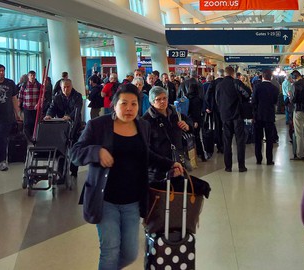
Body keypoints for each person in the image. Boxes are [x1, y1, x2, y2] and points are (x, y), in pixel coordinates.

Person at [70, 84, 184, 270]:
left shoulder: (143, 126)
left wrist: (169, 164)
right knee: (110, 250)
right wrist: (96, 152)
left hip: (132, 200)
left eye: (134, 104)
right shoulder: (98, 125)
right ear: (114, 105)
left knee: (130, 253)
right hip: (105, 199)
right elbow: (74, 153)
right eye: (124, 103)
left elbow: (146, 154)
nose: (129, 108)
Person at [142, 86, 193, 180]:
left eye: (164, 98)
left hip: (179, 157)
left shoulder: (174, 112)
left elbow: (189, 121)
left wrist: (187, 125)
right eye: (158, 99)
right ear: (152, 102)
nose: (162, 101)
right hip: (161, 166)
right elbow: (146, 148)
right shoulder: (146, 120)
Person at [44, 78, 83, 178]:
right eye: (63, 87)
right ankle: (60, 171)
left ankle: (74, 170)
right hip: (61, 126)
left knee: (74, 148)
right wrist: (49, 115)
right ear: (61, 88)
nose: (66, 89)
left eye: (68, 87)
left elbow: (77, 110)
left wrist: (69, 116)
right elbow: (52, 108)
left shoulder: (77, 96)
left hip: (74, 126)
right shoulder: (57, 98)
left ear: (71, 86)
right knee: (60, 149)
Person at [216, 66, 251, 172]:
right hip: (237, 115)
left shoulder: (219, 85)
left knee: (227, 141)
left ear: (225, 73)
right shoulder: (236, 83)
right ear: (233, 74)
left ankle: (228, 166)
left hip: (225, 116)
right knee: (240, 141)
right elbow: (247, 93)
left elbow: (217, 100)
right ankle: (241, 166)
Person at [252, 69, 278, 165]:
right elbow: (275, 102)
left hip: (258, 116)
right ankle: (269, 159)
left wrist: (253, 114)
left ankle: (258, 159)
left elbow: (254, 101)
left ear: (262, 76)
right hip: (269, 115)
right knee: (269, 139)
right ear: (271, 77)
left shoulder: (257, 87)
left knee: (258, 139)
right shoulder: (275, 88)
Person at [204, 68, 225, 154]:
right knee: (226, 127)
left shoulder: (213, 83)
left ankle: (220, 145)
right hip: (226, 109)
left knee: (217, 126)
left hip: (216, 109)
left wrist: (208, 106)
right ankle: (226, 145)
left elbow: (207, 95)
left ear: (217, 74)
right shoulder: (227, 83)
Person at [18, 70, 42, 142]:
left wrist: (39, 104)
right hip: (27, 108)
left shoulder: (39, 85)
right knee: (27, 124)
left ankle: (35, 138)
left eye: (33, 75)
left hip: (35, 109)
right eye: (31, 75)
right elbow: (20, 96)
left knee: (35, 124)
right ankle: (28, 139)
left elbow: (42, 97)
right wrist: (18, 107)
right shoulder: (24, 85)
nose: (32, 77)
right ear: (28, 77)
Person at [186, 83, 207, 162]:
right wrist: (196, 121)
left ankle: (190, 157)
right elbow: (197, 112)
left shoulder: (186, 97)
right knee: (197, 138)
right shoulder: (197, 99)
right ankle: (201, 155)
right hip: (195, 121)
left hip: (187, 120)